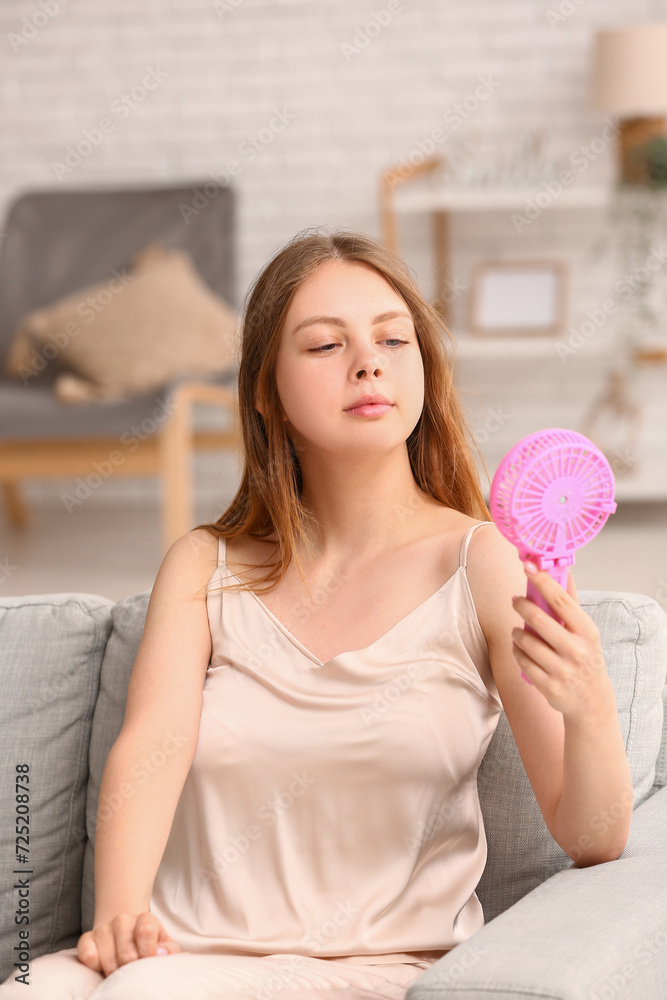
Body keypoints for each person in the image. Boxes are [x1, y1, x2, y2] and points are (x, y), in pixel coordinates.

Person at [0, 227, 633, 1000]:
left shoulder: (482, 564)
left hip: (371, 974)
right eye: (324, 346)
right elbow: (153, 746)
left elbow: (592, 837)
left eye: (392, 339)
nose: (368, 362)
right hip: (177, 952)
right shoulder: (205, 564)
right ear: (266, 389)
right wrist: (121, 912)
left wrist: (589, 700)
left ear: (423, 368)